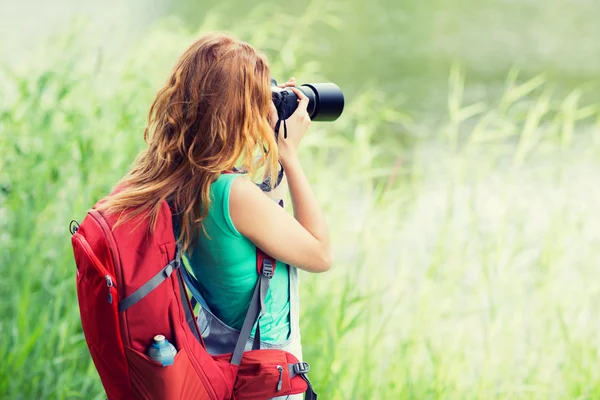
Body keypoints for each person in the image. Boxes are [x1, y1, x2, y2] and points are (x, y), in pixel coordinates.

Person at [99, 32, 332, 399]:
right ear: (238, 110)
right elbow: (320, 254)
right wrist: (289, 155)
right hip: (265, 378)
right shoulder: (234, 195)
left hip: (223, 364)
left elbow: (261, 230)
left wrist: (270, 146)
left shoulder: (182, 180)